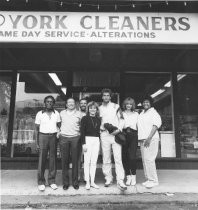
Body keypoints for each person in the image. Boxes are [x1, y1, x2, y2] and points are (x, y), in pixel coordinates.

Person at [99, 88, 127, 190]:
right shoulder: (99, 108)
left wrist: (119, 129)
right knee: (106, 158)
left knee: (118, 158)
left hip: (115, 134)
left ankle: (120, 180)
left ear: (110, 97)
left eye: (108, 95)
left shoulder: (116, 106)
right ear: (102, 97)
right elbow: (98, 122)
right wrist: (100, 130)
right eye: (104, 95)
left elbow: (122, 119)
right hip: (104, 135)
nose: (106, 97)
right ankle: (108, 178)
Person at [35, 95, 61, 191]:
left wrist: (58, 133)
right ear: (44, 103)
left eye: (51, 102)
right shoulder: (40, 114)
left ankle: (52, 181)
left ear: (53, 103)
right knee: (42, 159)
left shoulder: (56, 113)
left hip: (53, 137)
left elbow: (59, 126)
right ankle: (41, 181)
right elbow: (36, 129)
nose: (49, 103)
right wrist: (37, 142)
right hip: (43, 136)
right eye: (47, 101)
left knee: (53, 159)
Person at [137, 95, 162, 188]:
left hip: (151, 139)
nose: (145, 103)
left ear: (150, 103)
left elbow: (156, 125)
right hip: (143, 139)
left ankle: (154, 181)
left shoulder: (153, 113)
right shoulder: (142, 113)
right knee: (145, 160)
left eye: (147, 102)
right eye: (144, 102)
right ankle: (148, 179)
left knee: (149, 160)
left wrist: (149, 138)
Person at [59, 98, 81, 190]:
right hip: (64, 138)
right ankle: (66, 183)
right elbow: (58, 124)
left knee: (75, 161)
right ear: (66, 104)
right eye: (69, 102)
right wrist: (58, 132)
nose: (71, 104)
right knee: (64, 161)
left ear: (75, 104)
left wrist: (79, 134)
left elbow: (82, 126)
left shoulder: (79, 113)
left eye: (72, 102)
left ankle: (75, 182)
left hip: (75, 138)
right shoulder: (61, 113)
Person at [81, 101, 101, 190]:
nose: (92, 109)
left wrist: (99, 143)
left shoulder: (99, 119)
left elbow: (99, 132)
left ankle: (92, 182)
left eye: (94, 108)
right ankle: (87, 182)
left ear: (96, 110)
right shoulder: (84, 118)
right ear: (88, 109)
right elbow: (82, 132)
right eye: (91, 108)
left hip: (96, 140)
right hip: (87, 140)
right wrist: (83, 144)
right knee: (87, 162)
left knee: (94, 162)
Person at [122, 97, 139, 186]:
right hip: (124, 135)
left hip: (133, 135)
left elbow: (140, 126)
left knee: (132, 157)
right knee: (124, 157)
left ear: (132, 105)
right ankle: (128, 176)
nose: (128, 105)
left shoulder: (136, 114)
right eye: (127, 104)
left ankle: (133, 176)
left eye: (130, 104)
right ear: (125, 105)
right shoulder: (121, 113)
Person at [78, 98, 88, 183]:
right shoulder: (77, 113)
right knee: (78, 158)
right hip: (78, 137)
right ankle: (77, 176)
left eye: (85, 103)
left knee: (87, 158)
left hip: (88, 138)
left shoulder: (90, 113)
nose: (83, 104)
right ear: (79, 104)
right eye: (81, 103)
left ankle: (86, 177)